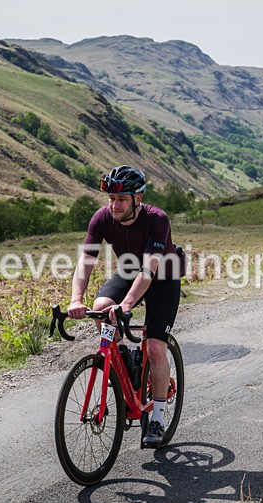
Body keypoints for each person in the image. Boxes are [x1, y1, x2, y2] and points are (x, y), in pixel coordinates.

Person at [68, 165, 184, 447]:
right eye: (111, 198)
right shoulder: (101, 218)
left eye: (121, 199)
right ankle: (123, 358)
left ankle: (157, 418)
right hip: (130, 272)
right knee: (101, 306)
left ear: (137, 199)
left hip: (162, 279)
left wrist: (126, 304)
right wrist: (76, 299)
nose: (114, 205)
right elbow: (85, 263)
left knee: (155, 347)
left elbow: (148, 271)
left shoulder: (157, 219)